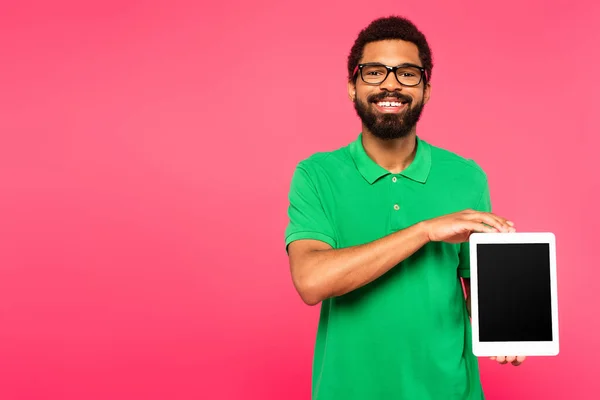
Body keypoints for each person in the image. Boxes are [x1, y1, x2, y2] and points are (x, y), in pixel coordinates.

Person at [284, 16, 526, 400]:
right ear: (352, 86)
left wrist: (509, 324)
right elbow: (312, 282)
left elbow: (474, 290)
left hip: (448, 391)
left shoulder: (466, 177)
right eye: (375, 72)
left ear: (427, 89)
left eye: (408, 73)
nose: (391, 83)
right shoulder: (316, 175)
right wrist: (424, 231)